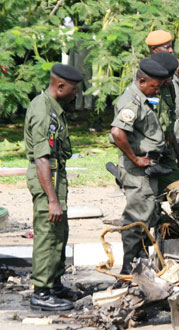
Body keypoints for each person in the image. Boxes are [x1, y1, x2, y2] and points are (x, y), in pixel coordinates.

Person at [25, 64, 83, 311]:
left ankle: (54, 285)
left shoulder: (54, 109)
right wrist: (51, 199)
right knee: (47, 236)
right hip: (46, 178)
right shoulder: (42, 111)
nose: (76, 94)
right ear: (60, 86)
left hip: (56, 177)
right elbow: (41, 158)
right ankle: (41, 291)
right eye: (73, 90)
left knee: (59, 234)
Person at [110, 58, 169, 275]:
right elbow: (117, 133)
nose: (157, 91)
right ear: (142, 81)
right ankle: (129, 268)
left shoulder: (141, 98)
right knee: (136, 219)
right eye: (154, 86)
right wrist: (135, 159)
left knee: (147, 215)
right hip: (137, 170)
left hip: (146, 168)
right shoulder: (132, 102)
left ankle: (140, 263)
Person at [146, 30, 179, 167]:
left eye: (172, 46)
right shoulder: (147, 74)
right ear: (154, 50)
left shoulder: (173, 70)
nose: (171, 51)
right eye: (167, 47)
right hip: (160, 139)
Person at [150, 52, 179, 190]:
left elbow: (170, 124)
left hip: (167, 149)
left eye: (172, 76)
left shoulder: (168, 87)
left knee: (176, 190)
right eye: (168, 77)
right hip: (148, 152)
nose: (171, 80)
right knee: (150, 196)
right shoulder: (144, 90)